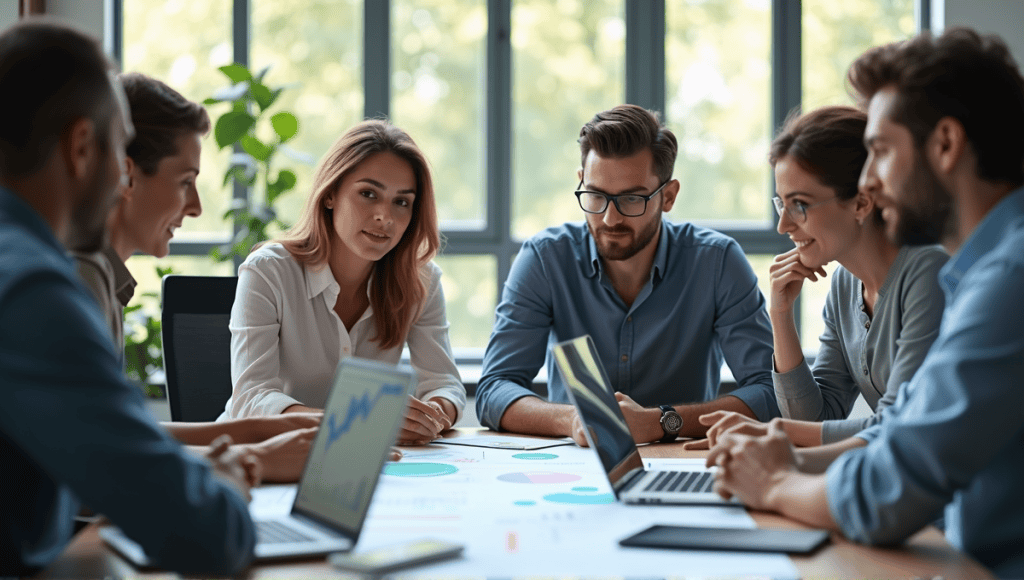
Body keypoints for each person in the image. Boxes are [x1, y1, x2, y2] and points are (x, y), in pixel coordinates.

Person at [706, 28, 1024, 578]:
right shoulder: (981, 274)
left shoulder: (1008, 280)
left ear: (945, 145)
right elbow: (898, 433)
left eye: (879, 151)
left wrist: (779, 482)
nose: (869, 181)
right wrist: (787, 459)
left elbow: (890, 492)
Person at [0, 20, 254, 576]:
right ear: (83, 147)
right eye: (119, 149)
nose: (122, 177)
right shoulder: (33, 290)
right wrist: (227, 483)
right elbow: (208, 537)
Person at [476, 104, 780, 445]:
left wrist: (661, 422)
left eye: (632, 199)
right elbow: (494, 389)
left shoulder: (717, 262)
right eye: (595, 196)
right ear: (581, 182)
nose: (609, 219)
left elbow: (770, 393)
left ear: (668, 196)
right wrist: (574, 419)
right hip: (577, 462)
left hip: (682, 461)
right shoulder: (545, 259)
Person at [73, 72, 322, 482]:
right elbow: (89, 460)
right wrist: (255, 459)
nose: (196, 207)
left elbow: (113, 432)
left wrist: (253, 430)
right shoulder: (81, 281)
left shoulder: (100, 275)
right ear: (127, 175)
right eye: (186, 182)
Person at [687, 106, 947, 450]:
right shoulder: (844, 285)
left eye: (800, 205)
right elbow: (815, 419)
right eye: (782, 204)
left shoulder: (929, 274)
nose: (783, 226)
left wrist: (772, 432)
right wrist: (780, 314)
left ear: (861, 203)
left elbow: (899, 425)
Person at [222, 120, 466, 446]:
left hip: (356, 460)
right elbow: (251, 399)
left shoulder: (421, 280)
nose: (385, 216)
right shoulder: (268, 272)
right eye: (368, 194)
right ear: (330, 195)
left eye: (402, 202)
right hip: (262, 456)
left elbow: (445, 382)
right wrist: (365, 421)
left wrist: (433, 414)